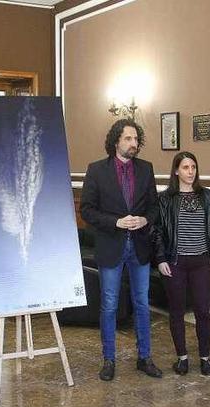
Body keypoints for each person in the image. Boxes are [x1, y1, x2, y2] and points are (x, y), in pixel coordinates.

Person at [80, 118, 162, 381]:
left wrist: (145, 219)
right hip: (111, 245)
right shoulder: (96, 170)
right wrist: (115, 222)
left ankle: (144, 357)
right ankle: (109, 359)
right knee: (109, 305)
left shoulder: (146, 170)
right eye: (128, 139)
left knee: (142, 303)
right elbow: (87, 211)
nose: (133, 144)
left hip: (139, 247)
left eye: (136, 139)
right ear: (116, 140)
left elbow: (155, 207)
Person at [154, 151, 210, 375]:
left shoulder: (206, 195)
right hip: (175, 262)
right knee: (176, 311)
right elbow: (158, 233)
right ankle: (182, 358)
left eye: (193, 167)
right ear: (176, 171)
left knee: (203, 310)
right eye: (185, 167)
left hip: (201, 262)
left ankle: (205, 358)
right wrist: (161, 259)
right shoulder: (165, 199)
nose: (190, 172)